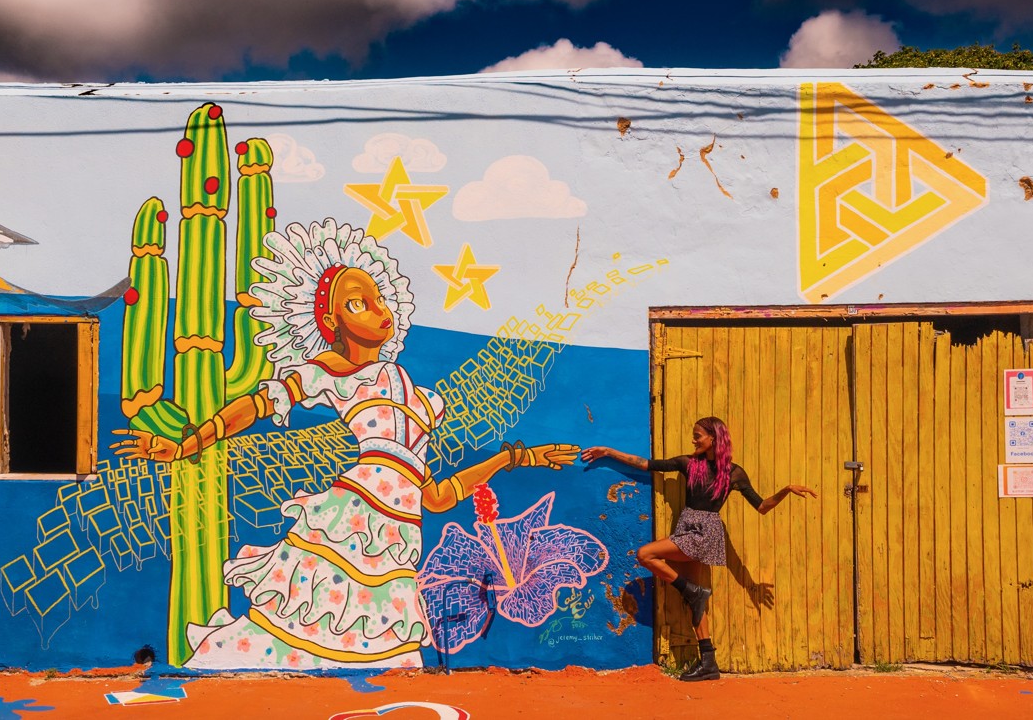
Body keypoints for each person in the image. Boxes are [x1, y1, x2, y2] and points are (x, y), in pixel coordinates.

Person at [114, 219, 578, 670]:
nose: (379, 310)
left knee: (375, 647)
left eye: (379, 299)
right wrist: (188, 444)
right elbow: (257, 405)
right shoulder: (329, 371)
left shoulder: (416, 396)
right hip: (351, 522)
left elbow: (436, 496)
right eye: (359, 303)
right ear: (330, 319)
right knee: (305, 626)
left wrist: (515, 457)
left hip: (399, 534)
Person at [580, 416, 817, 682]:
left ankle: (689, 590)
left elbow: (761, 506)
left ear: (713, 438)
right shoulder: (689, 464)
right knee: (697, 602)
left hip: (703, 533)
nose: (693, 440)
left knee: (645, 555)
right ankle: (708, 662)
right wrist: (608, 452)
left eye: (698, 436)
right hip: (688, 529)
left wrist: (786, 490)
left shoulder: (734, 473)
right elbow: (648, 464)